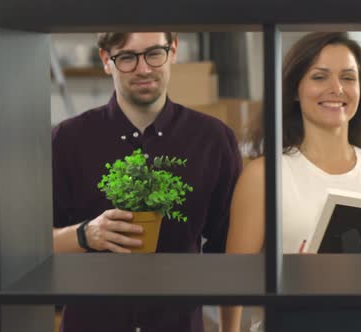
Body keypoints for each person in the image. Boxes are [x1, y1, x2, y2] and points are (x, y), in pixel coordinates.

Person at [220, 32, 361, 331]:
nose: (336, 89)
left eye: (348, 77)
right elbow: (235, 279)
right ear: (294, 90)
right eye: (319, 77)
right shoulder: (263, 176)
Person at [52, 32, 242, 332]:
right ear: (106, 60)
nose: (143, 69)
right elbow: (30, 247)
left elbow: (228, 251)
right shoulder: (66, 139)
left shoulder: (213, 139)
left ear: (174, 50)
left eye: (154, 53)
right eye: (127, 57)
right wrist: (85, 235)